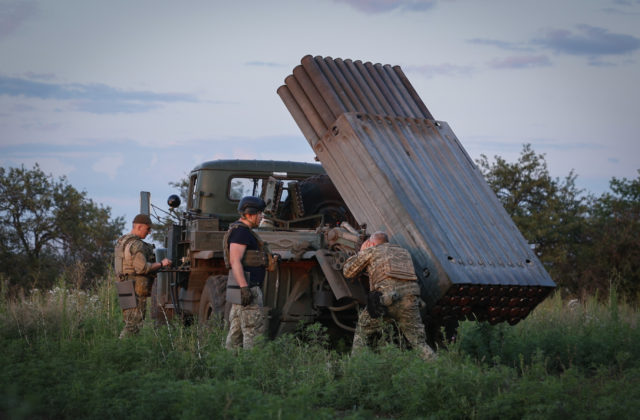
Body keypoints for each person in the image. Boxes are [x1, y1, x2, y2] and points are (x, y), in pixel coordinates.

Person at [343, 231, 436, 361]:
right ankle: (439, 369)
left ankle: (355, 366)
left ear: (371, 243)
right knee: (419, 343)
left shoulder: (372, 251)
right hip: (410, 301)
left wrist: (361, 252)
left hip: (385, 301)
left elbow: (348, 271)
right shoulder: (404, 252)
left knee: (362, 329)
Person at [223, 196, 275, 350]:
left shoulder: (242, 231)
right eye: (260, 213)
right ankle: (250, 368)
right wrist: (245, 288)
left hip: (244, 290)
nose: (261, 217)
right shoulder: (241, 233)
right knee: (253, 334)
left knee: (236, 334)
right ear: (250, 213)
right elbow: (235, 261)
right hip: (248, 290)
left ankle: (230, 368)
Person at [114, 213, 171, 339]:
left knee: (129, 321)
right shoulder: (136, 244)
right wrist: (162, 263)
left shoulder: (121, 242)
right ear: (139, 227)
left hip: (124, 285)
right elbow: (142, 268)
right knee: (134, 325)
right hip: (135, 287)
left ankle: (123, 350)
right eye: (148, 229)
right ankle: (123, 349)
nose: (149, 232)